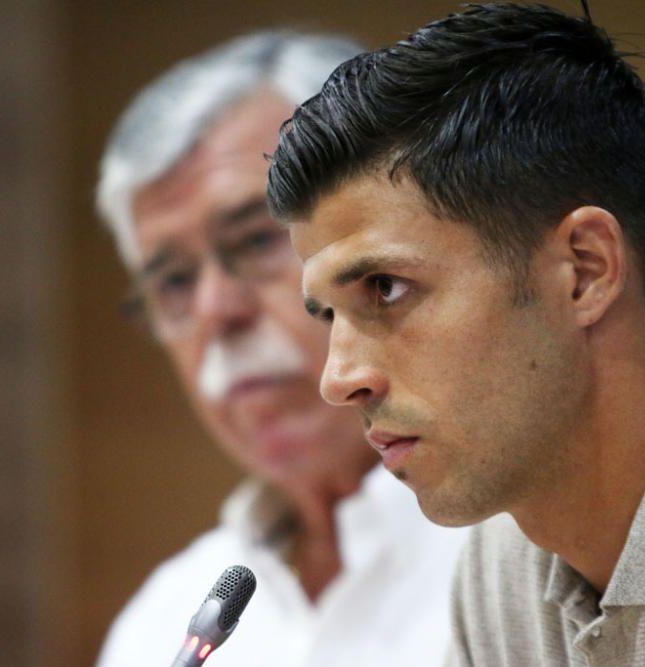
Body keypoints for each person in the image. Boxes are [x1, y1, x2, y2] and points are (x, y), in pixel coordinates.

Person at [267, 3, 645, 665]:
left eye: (385, 288)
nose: (338, 380)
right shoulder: (509, 556)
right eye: (327, 314)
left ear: (584, 271)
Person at [93, 32, 468, 667]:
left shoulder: (533, 544)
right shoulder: (162, 624)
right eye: (175, 282)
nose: (217, 311)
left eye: (257, 241)